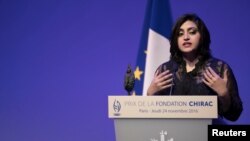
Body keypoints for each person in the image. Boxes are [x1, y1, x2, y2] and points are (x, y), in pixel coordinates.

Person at [147, 13, 243, 122]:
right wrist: (150, 94)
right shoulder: (165, 69)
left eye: (192, 32)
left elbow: (234, 116)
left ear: (202, 36)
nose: (186, 37)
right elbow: (153, 117)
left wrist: (224, 94)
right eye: (180, 34)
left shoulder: (219, 68)